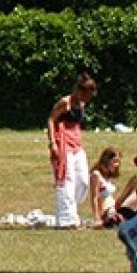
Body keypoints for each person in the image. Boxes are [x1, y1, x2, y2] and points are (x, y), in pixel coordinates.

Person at [45, 73, 97, 228]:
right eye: (87, 95)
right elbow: (51, 120)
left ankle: (68, 208)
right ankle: (68, 219)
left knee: (82, 180)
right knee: (67, 179)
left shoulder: (81, 104)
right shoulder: (65, 103)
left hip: (76, 143)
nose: (88, 100)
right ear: (80, 91)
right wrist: (52, 143)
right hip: (63, 142)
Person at [89, 147, 124, 228]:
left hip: (113, 208)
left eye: (118, 162)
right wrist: (97, 218)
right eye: (115, 161)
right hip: (106, 212)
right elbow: (94, 198)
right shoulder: (96, 175)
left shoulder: (107, 176)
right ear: (107, 160)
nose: (117, 165)